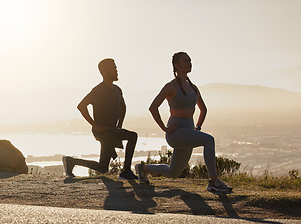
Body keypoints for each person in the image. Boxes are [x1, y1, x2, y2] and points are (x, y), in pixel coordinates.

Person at [135, 52, 232, 192]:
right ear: (177, 65)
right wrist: (165, 128)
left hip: (188, 131)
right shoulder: (170, 86)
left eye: (190, 60)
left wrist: (197, 127)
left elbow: (203, 109)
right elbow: (153, 107)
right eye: (185, 61)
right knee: (209, 140)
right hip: (176, 133)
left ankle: (142, 168)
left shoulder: (193, 88)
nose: (189, 63)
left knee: (173, 173)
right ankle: (214, 181)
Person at [63, 58, 138, 180]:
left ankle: (71, 161)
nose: (116, 70)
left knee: (103, 168)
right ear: (103, 71)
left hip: (112, 130)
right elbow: (81, 106)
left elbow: (123, 107)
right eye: (112, 68)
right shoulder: (99, 90)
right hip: (102, 131)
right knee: (132, 136)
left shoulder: (117, 90)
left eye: (116, 67)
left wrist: (120, 125)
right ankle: (126, 172)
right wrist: (95, 125)